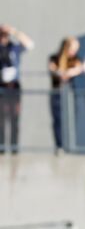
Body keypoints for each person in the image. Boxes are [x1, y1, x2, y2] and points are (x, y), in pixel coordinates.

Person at [0, 23, 34, 155]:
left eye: (5, 35)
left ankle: (14, 147)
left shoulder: (13, 48)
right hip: (1, 86)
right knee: (1, 119)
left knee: (14, 118)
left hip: (14, 86)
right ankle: (1, 147)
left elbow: (29, 44)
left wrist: (14, 31)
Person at [48, 36, 84, 154]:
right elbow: (53, 69)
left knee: (71, 119)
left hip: (70, 94)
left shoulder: (76, 59)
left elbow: (79, 68)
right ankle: (59, 146)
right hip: (57, 93)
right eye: (72, 48)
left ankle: (70, 145)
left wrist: (67, 72)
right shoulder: (54, 58)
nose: (74, 51)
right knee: (57, 119)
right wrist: (61, 72)